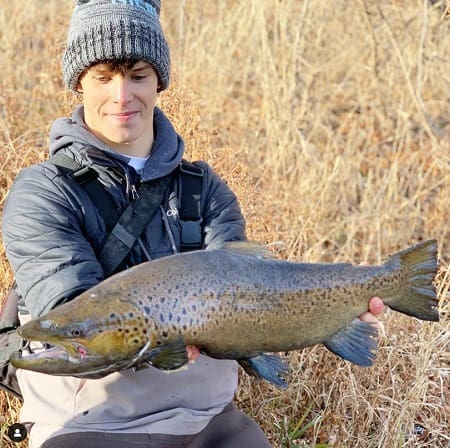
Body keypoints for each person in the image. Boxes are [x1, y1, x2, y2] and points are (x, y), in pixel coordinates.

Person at [1, 1, 384, 447]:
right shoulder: (43, 192)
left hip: (207, 421)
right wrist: (161, 340)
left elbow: (251, 293)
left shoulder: (203, 188)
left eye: (138, 75)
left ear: (159, 80)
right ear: (79, 82)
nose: (122, 96)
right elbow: (74, 324)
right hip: (95, 425)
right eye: (103, 77)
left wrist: (337, 309)